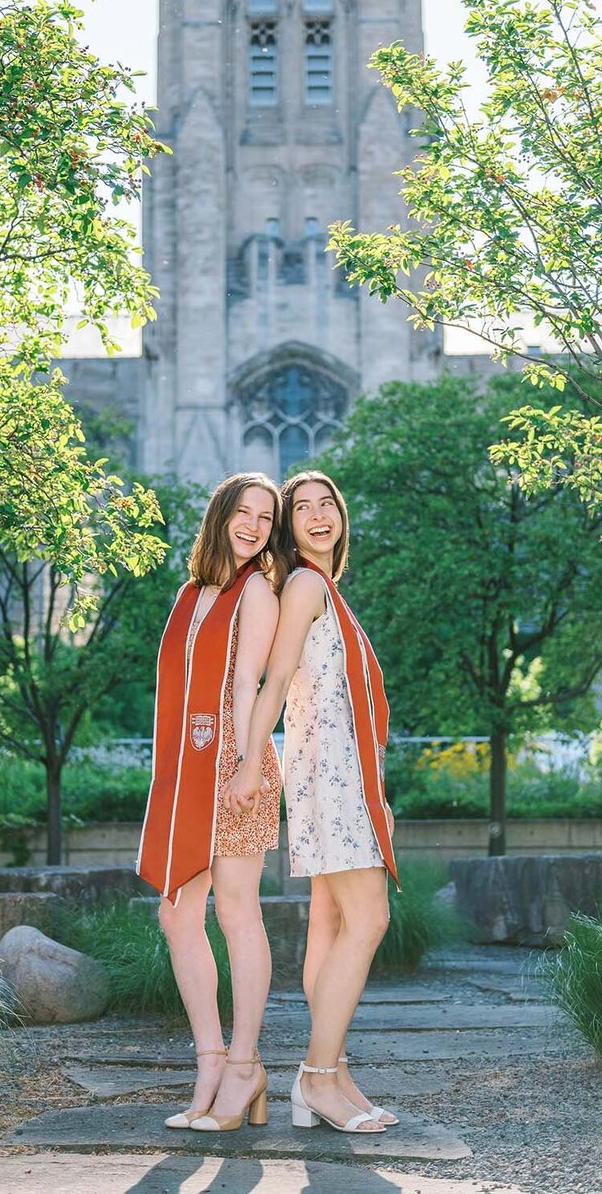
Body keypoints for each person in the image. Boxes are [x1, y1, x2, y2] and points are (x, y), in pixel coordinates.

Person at [224, 470, 400, 1134]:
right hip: (328, 776)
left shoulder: (328, 590)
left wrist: (378, 796)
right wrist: (247, 761)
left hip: (339, 774)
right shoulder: (302, 584)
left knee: (329, 921)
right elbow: (274, 680)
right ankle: (318, 1077)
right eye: (303, 508)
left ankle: (331, 1075)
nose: (320, 515)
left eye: (329, 504)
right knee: (370, 918)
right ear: (290, 529)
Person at [137, 472, 289, 1133]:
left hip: (234, 764)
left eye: (266, 516)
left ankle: (246, 1065)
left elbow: (250, 688)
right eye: (244, 511)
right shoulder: (189, 593)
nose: (253, 525)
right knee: (178, 916)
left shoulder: (256, 591)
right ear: (221, 513)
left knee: (235, 910)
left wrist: (247, 766)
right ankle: (210, 1059)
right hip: (184, 772)